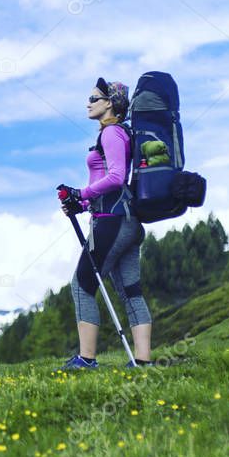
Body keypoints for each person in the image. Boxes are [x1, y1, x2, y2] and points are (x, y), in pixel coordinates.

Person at [57, 78, 152, 370]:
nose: (88, 103)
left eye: (94, 98)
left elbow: (115, 177)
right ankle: (143, 361)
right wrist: (81, 202)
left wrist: (80, 193)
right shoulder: (119, 134)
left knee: (82, 284)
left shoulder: (111, 133)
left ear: (110, 103)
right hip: (127, 221)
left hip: (111, 223)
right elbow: (106, 184)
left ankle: (86, 359)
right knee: (130, 291)